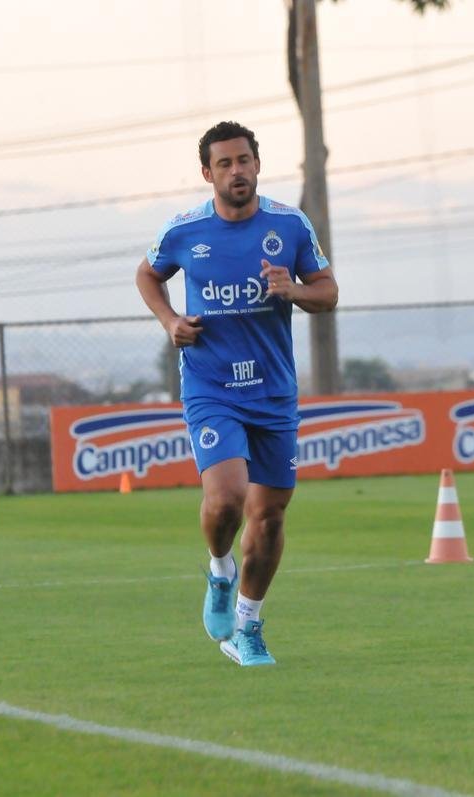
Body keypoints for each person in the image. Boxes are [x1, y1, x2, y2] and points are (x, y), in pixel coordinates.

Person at [135, 121, 338, 666]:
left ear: (256, 164)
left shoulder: (289, 225)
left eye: (243, 160)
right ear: (208, 173)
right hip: (211, 386)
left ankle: (248, 624)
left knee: (269, 516)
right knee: (227, 499)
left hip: (273, 392)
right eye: (224, 164)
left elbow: (328, 292)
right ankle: (220, 569)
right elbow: (148, 275)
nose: (236, 171)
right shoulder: (183, 231)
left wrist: (292, 290)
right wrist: (169, 320)